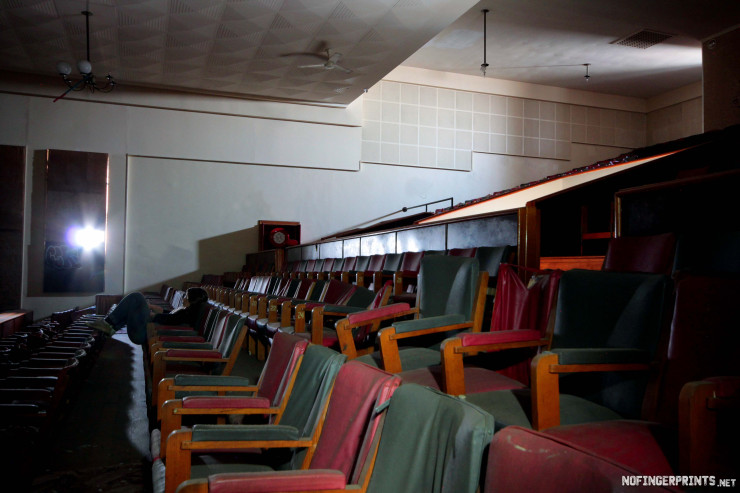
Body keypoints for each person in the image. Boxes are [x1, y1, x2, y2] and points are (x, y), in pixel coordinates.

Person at [87, 287, 209, 345]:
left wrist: (152, 314)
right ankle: (111, 326)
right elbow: (171, 317)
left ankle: (109, 324)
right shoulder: (185, 312)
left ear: (192, 299)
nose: (183, 298)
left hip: (145, 334)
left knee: (137, 297)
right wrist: (156, 309)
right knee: (136, 302)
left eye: (186, 296)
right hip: (146, 330)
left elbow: (171, 320)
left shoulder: (186, 314)